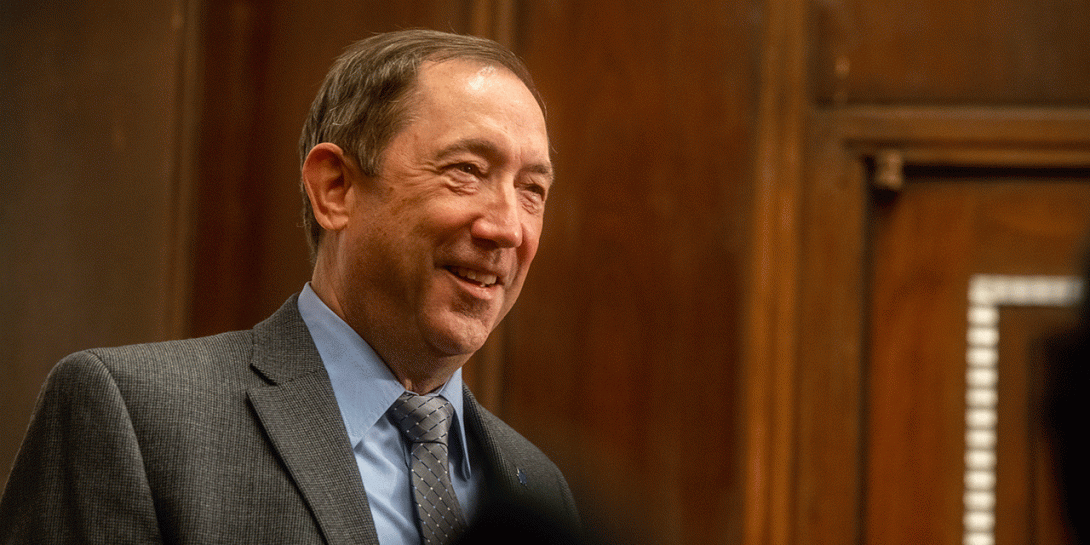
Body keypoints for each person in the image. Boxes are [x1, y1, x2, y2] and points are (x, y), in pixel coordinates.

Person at [0, 29, 578, 544]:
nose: (507, 227)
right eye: (467, 171)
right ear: (335, 188)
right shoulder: (135, 416)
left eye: (533, 189)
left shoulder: (539, 489)